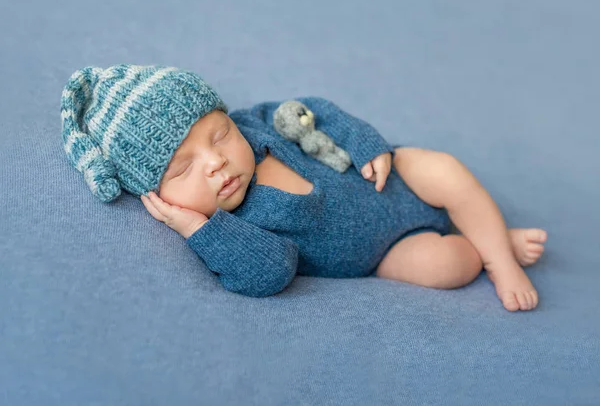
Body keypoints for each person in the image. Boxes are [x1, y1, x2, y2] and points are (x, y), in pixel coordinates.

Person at [61, 64, 546, 311]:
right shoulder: (230, 226)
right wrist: (197, 229)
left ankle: (500, 259)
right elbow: (272, 271)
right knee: (447, 266)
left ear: (228, 117)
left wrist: (364, 143)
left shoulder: (254, 123)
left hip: (388, 177)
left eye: (219, 135)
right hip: (384, 253)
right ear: (158, 197)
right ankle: (489, 243)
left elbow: (312, 109)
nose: (216, 162)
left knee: (442, 169)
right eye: (183, 170)